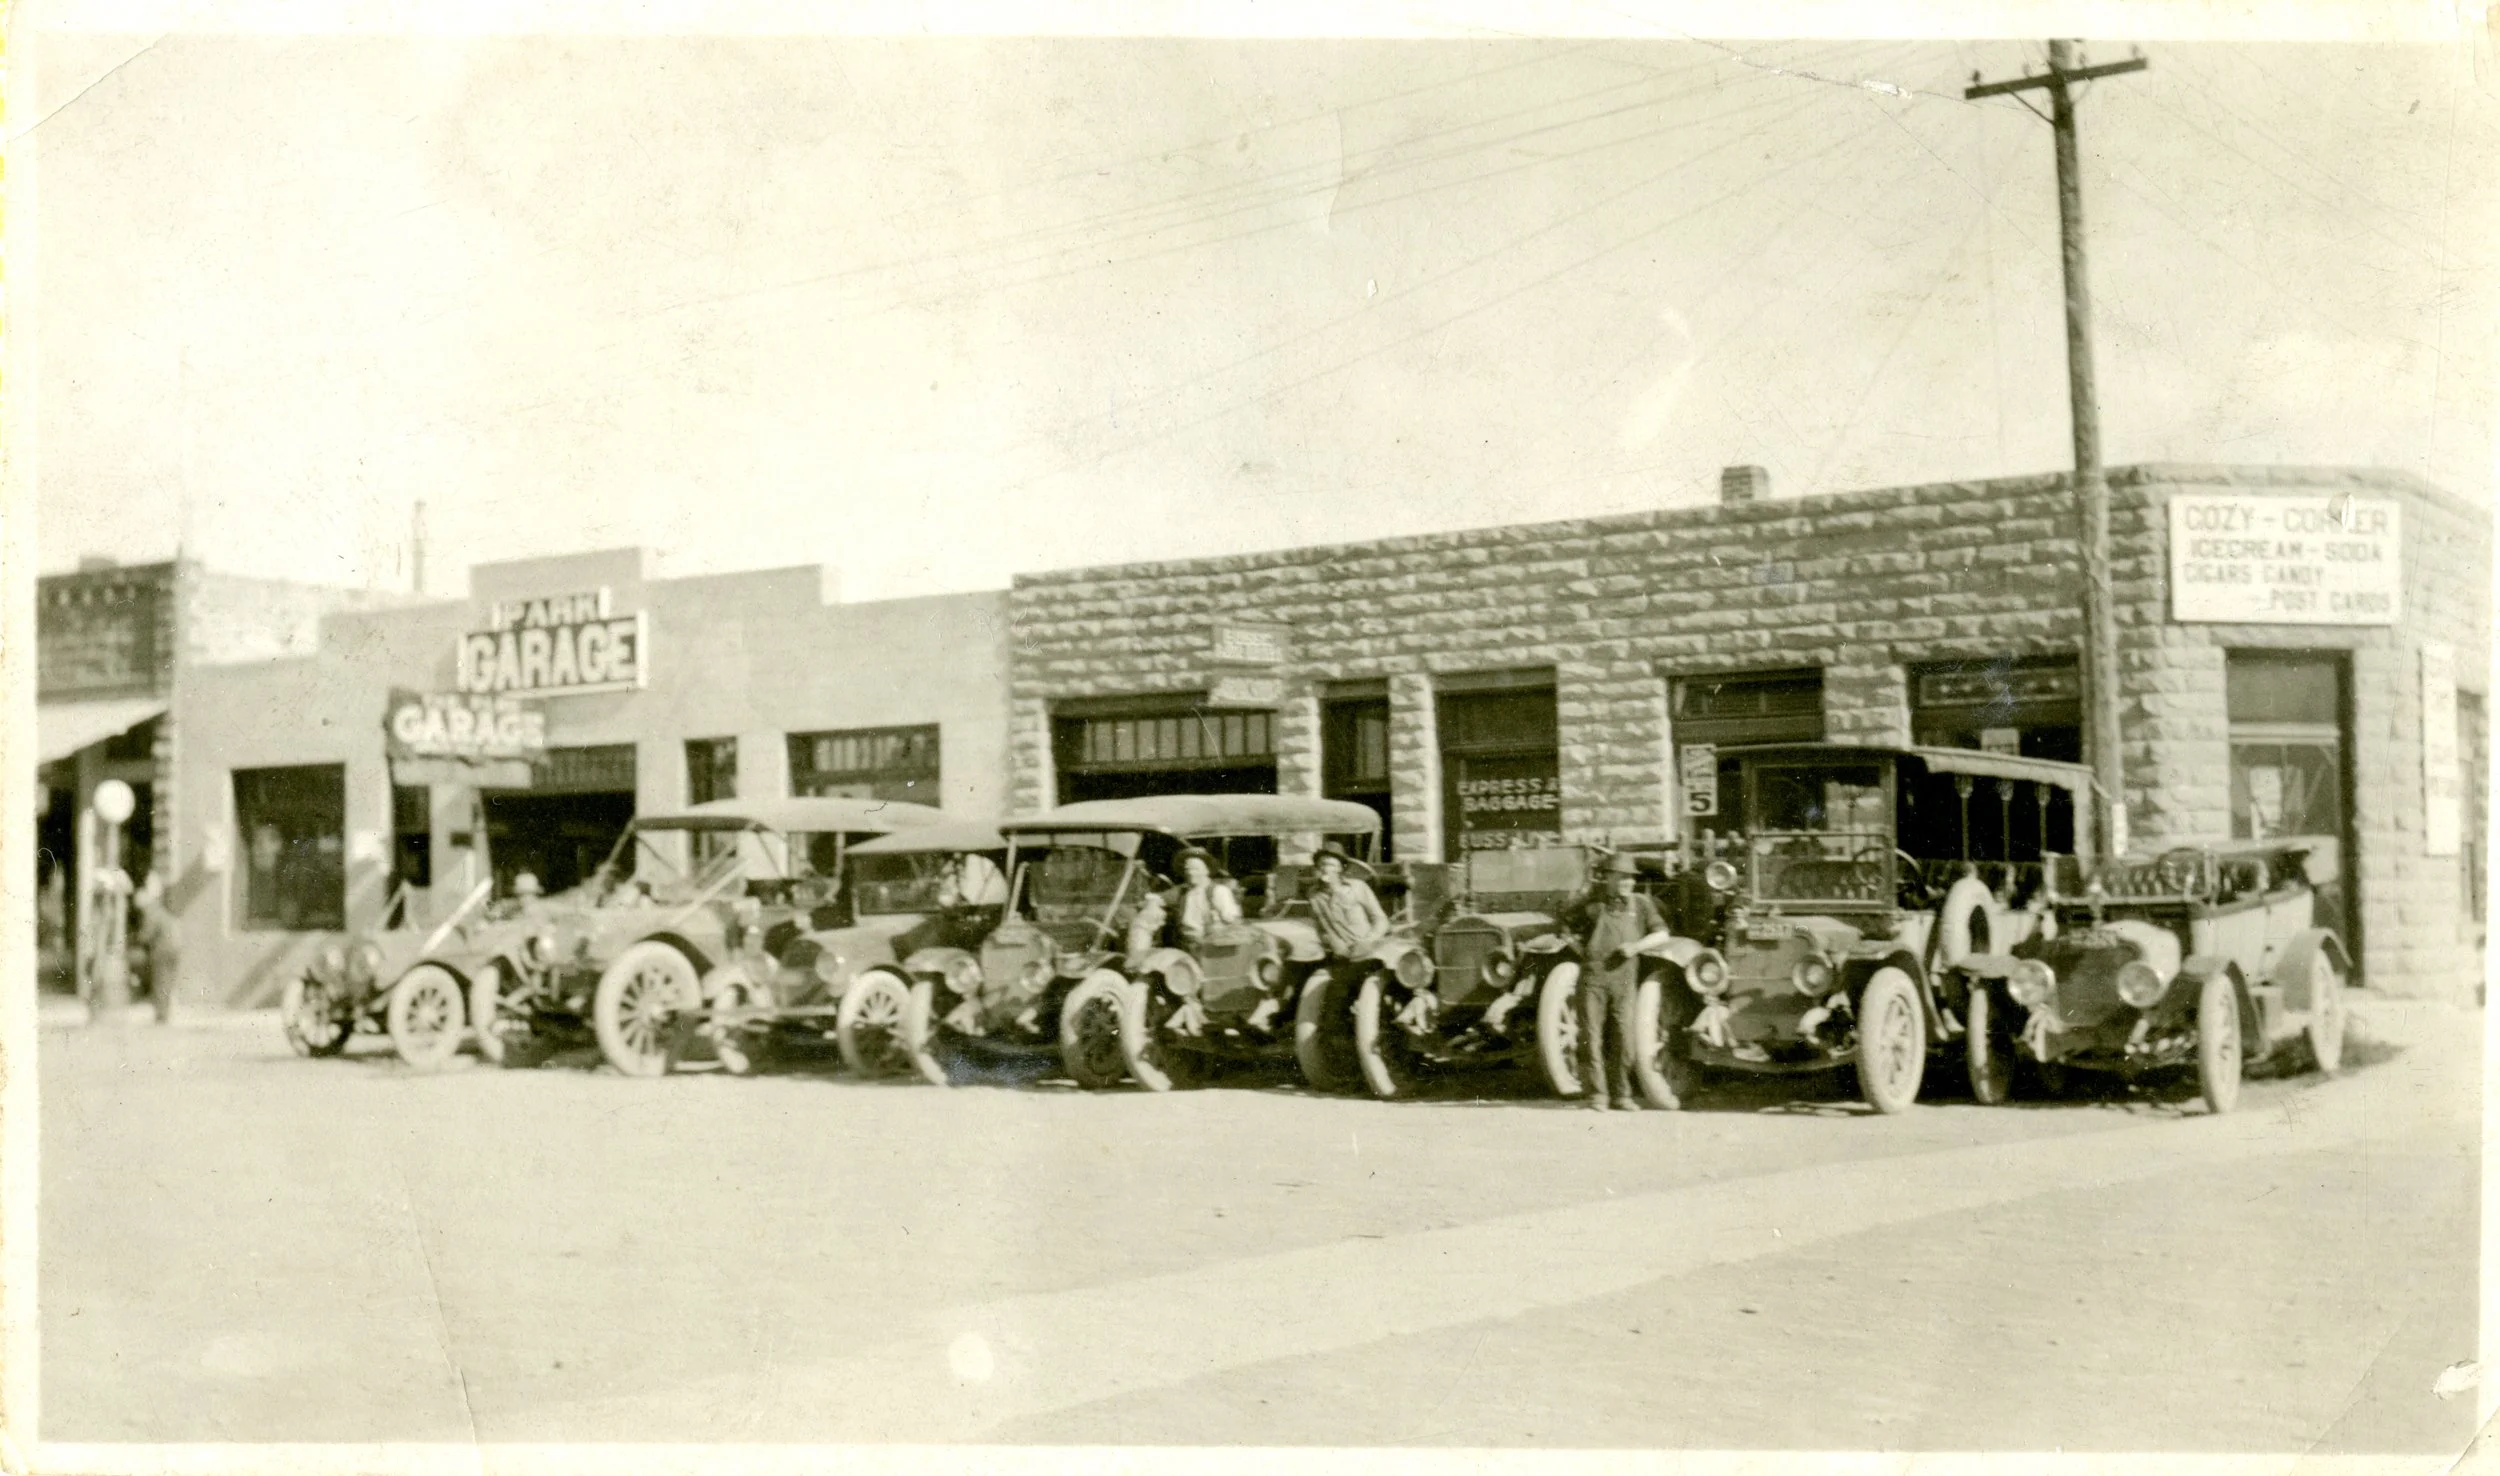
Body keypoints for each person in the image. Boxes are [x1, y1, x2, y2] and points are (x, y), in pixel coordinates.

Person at [1572, 851, 1670, 1112]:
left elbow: (1662, 934)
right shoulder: (1592, 903)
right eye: (1622, 877)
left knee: (1625, 1040)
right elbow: (1565, 926)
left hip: (1625, 980)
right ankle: (1597, 1096)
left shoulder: (1641, 904)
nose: (1628, 882)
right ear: (1608, 878)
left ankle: (1622, 1095)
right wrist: (1583, 951)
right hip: (1593, 979)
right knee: (1590, 1039)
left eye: (1631, 878)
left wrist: (1637, 946)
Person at [1125, 847, 1241, 959]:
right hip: (1186, 946)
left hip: (1210, 950)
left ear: (1206, 870)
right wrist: (1151, 902)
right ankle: (1137, 957)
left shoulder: (1219, 891)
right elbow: (1158, 898)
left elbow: (1232, 921)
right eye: (1187, 869)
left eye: (1195, 869)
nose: (1190, 873)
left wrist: (1219, 928)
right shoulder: (1182, 891)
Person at [1306, 842, 1390, 960]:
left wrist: (1369, 941)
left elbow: (1380, 919)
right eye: (1321, 865)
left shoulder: (1358, 887)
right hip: (1340, 957)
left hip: (1369, 953)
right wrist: (1331, 940)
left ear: (1340, 868)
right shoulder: (1313, 895)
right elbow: (1319, 928)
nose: (1325, 869)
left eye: (1330, 865)